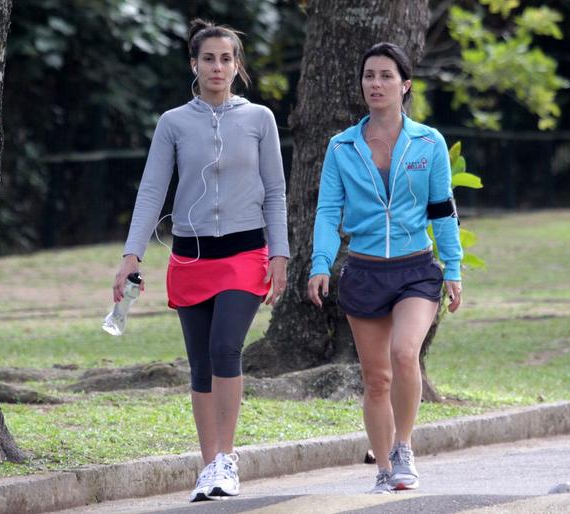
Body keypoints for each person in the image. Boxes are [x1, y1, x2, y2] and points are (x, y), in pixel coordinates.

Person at [113, 19, 289, 502]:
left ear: (237, 66)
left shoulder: (259, 119)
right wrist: (131, 255)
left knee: (224, 349)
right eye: (208, 58)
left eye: (226, 59)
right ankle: (208, 464)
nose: (217, 66)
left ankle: (227, 459)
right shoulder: (173, 123)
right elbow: (152, 190)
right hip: (190, 258)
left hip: (245, 254)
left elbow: (275, 191)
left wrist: (280, 253)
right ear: (194, 64)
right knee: (199, 364)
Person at [307, 42, 463, 494]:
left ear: (405, 85)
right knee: (376, 379)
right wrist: (320, 264)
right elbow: (327, 212)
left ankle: (404, 447)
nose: (376, 84)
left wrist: (452, 267)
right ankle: (380, 472)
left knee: (404, 353)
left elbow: (442, 210)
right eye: (369, 75)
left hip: (415, 269)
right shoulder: (342, 147)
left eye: (386, 76)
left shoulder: (427, 142)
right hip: (364, 271)